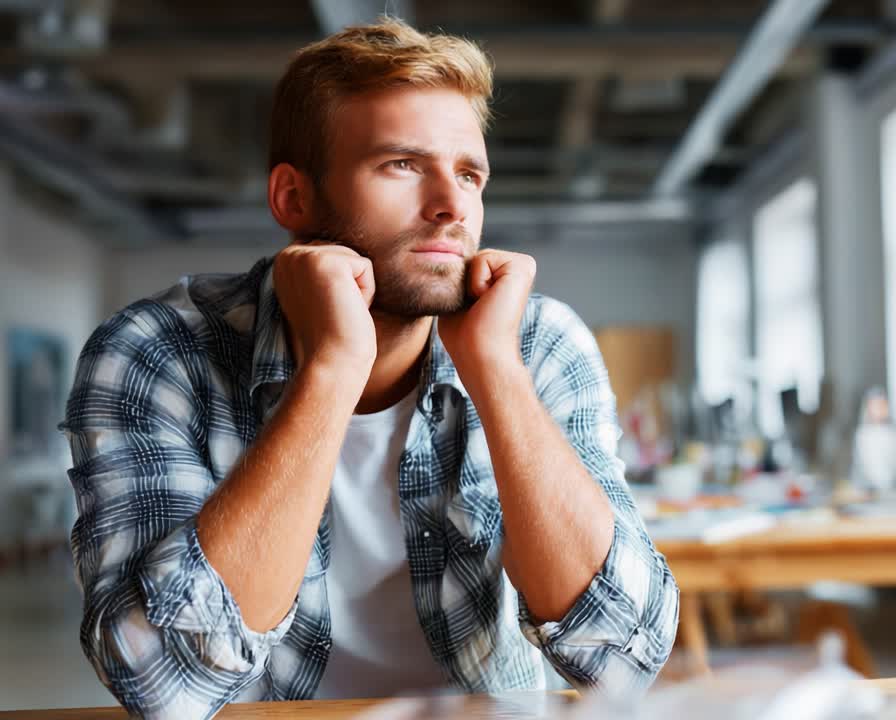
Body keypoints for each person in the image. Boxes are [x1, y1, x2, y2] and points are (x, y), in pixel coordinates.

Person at [60, 19, 678, 718]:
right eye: (402, 165)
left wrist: (497, 372)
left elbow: (623, 654)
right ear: (294, 198)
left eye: (469, 174)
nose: (451, 206)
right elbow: (162, 684)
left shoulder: (537, 343)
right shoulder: (154, 352)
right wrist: (331, 371)